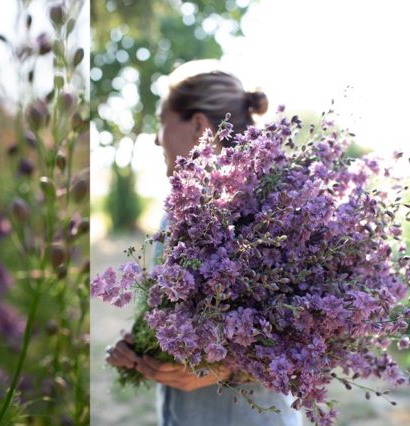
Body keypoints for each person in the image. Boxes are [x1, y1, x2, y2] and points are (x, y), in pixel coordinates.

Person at [105, 60, 303, 426]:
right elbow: (176, 314)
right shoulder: (174, 216)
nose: (155, 137)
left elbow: (314, 334)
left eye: (163, 121)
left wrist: (224, 368)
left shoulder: (277, 210)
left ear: (198, 125)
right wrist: (140, 344)